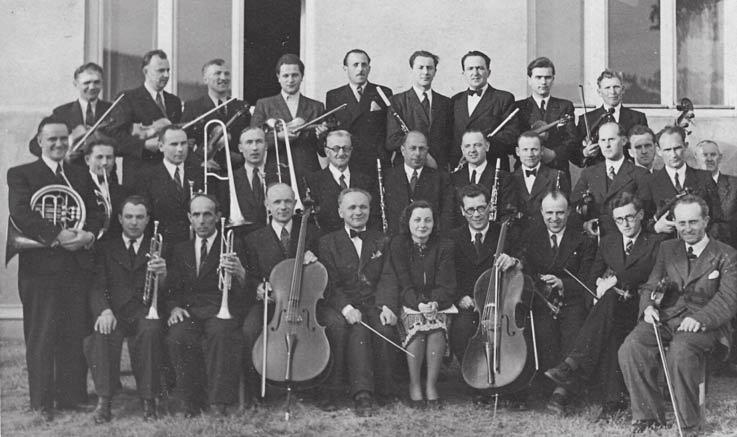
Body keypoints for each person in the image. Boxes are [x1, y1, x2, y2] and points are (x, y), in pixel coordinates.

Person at [618, 195, 737, 434]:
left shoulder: (727, 254)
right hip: (666, 318)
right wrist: (648, 307)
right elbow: (651, 285)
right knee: (631, 347)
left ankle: (689, 424)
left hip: (707, 325)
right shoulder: (667, 248)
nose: (687, 229)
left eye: (693, 222)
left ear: (706, 221)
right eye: (681, 223)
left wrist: (700, 319)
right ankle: (648, 418)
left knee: (681, 352)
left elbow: (728, 299)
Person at [7, 117, 100, 421]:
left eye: (63, 139)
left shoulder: (79, 174)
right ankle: (42, 402)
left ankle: (72, 397)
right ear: (39, 140)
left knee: (74, 332)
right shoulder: (22, 173)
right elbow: (22, 214)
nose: (59, 144)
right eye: (52, 139)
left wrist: (89, 235)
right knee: (43, 334)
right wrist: (58, 235)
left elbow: (95, 213)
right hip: (40, 268)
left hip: (75, 265)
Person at [544, 193, 663, 421]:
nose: (625, 224)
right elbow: (591, 278)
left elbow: (646, 269)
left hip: (640, 309)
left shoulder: (655, 242)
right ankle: (612, 402)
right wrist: (594, 297)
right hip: (608, 311)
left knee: (609, 304)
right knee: (607, 316)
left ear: (640, 216)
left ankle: (573, 364)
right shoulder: (608, 242)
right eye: (619, 220)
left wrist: (616, 279)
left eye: (630, 217)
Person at [240, 183, 333, 406]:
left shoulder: (313, 234)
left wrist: (315, 262)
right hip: (271, 305)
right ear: (267, 206)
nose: (283, 207)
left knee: (335, 325)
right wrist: (258, 288)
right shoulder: (253, 239)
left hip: (306, 304)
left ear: (294, 203)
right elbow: (251, 275)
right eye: (277, 202)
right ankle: (258, 393)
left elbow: (326, 272)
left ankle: (323, 389)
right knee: (249, 329)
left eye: (288, 201)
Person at [84, 195, 166, 423]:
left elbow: (169, 289)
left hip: (144, 309)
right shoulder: (105, 247)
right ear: (119, 218)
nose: (134, 222)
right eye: (129, 216)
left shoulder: (158, 246)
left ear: (148, 219)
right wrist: (104, 311)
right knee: (103, 332)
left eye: (140, 217)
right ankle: (105, 401)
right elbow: (97, 284)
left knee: (150, 331)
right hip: (116, 311)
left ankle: (149, 400)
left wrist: (164, 274)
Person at [165, 193, 247, 417]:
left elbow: (245, 290)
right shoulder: (181, 249)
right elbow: (172, 288)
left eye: (207, 214)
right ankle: (191, 402)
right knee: (178, 335)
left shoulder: (234, 244)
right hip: (190, 311)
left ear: (218, 216)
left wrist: (240, 273)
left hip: (220, 310)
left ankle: (218, 403)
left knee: (222, 334)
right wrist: (173, 307)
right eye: (196, 215)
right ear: (189, 218)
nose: (202, 221)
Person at [318, 188, 397, 416]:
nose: (358, 211)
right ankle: (362, 394)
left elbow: (388, 276)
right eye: (352, 207)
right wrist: (346, 307)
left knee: (385, 329)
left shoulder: (381, 239)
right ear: (340, 211)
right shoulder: (327, 242)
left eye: (363, 206)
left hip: (373, 303)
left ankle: (385, 389)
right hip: (343, 304)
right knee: (357, 331)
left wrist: (386, 305)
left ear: (370, 210)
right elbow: (329, 282)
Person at [518, 191, 596, 413]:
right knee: (543, 334)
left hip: (572, 299)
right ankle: (541, 387)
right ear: (542, 213)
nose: (555, 218)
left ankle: (561, 393)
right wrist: (541, 285)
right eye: (549, 213)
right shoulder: (532, 236)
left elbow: (587, 279)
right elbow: (527, 273)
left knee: (573, 331)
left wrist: (562, 283)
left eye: (560, 212)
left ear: (569, 212)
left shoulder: (583, 240)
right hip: (542, 299)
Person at [378, 201, 457, 407]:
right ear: (408, 222)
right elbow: (402, 282)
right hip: (408, 300)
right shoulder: (398, 244)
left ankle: (431, 385)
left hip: (438, 301)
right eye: (417, 220)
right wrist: (419, 304)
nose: (422, 225)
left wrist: (434, 303)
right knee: (418, 327)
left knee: (436, 329)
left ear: (434, 222)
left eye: (427, 220)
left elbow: (447, 283)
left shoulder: (445, 246)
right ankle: (414, 385)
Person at [448, 184, 521, 403]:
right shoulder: (453, 237)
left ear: (490, 207)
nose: (477, 214)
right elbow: (448, 273)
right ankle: (476, 381)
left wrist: (514, 261)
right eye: (470, 209)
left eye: (481, 208)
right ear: (462, 211)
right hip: (470, 303)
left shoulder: (506, 233)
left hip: (501, 302)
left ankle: (508, 382)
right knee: (461, 330)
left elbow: (523, 260)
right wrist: (460, 296)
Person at [251, 54, 328, 193]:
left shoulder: (317, 107)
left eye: (295, 75)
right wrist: (278, 137)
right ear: (278, 77)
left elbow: (322, 151)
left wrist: (322, 136)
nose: (290, 80)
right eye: (286, 76)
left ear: (302, 76)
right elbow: (253, 141)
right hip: (276, 172)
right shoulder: (264, 105)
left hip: (309, 172)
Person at [107, 50, 183, 186]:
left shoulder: (174, 102)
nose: (166, 75)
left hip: (169, 176)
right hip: (139, 176)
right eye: (160, 71)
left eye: (168, 70)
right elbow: (114, 138)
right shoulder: (128, 98)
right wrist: (144, 145)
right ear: (145, 71)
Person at [639, 126, 722, 240]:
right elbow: (640, 220)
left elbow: (718, 219)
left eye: (677, 148)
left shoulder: (705, 178)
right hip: (664, 249)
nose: (673, 155)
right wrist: (656, 228)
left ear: (686, 146)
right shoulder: (648, 182)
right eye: (667, 150)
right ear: (658, 151)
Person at [571, 122, 649, 237]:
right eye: (603, 140)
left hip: (625, 239)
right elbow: (573, 206)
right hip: (596, 240)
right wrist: (584, 225)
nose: (607, 145)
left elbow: (645, 211)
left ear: (623, 141)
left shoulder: (639, 174)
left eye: (611, 139)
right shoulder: (589, 173)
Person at [135, 125, 204, 256]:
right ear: (161, 146)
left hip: (195, 248)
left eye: (183, 143)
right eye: (174, 144)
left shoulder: (199, 172)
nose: (180, 149)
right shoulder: (146, 177)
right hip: (164, 250)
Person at [325, 49, 393, 178]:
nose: (360, 69)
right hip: (347, 161)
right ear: (345, 68)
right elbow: (332, 130)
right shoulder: (334, 96)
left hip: (375, 161)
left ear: (369, 68)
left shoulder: (383, 92)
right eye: (355, 65)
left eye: (364, 65)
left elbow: (389, 128)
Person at [451, 51, 519, 171]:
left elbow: (512, 134)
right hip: (461, 169)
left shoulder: (504, 98)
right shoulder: (455, 100)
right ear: (463, 73)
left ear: (489, 72)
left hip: (492, 166)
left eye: (480, 68)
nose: (475, 73)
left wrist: (484, 144)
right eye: (470, 68)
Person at [28, 62, 112, 160]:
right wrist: (67, 145)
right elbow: (35, 146)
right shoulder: (61, 113)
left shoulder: (113, 110)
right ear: (76, 84)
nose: (92, 87)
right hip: (72, 172)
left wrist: (101, 138)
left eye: (96, 82)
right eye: (87, 83)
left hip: (104, 171)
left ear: (102, 83)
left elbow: (123, 144)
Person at [387, 50, 452, 169]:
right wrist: (425, 156)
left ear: (435, 71)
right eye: (420, 67)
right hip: (407, 167)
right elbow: (392, 140)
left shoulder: (446, 102)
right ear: (412, 70)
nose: (425, 72)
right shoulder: (396, 101)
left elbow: (449, 139)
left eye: (429, 68)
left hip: (438, 168)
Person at [514, 57, 576, 182]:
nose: (543, 82)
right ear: (529, 80)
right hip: (526, 169)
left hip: (557, 168)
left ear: (553, 79)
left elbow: (572, 139)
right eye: (538, 77)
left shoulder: (565, 106)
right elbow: (514, 138)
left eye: (547, 77)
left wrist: (554, 154)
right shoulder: (518, 107)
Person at [306, 130, 378, 233]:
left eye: (346, 148)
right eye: (336, 149)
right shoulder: (313, 181)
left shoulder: (366, 180)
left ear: (351, 150)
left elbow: (374, 217)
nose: (341, 153)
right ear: (327, 151)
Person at [383, 131, 454, 234]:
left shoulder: (441, 178)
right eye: (412, 148)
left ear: (427, 151)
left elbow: (447, 216)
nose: (417, 153)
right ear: (403, 150)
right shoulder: (387, 177)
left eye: (421, 149)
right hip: (396, 242)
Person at [574, 70, 648, 167]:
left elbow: (645, 148)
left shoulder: (638, 118)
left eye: (616, 87)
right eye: (607, 88)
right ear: (599, 92)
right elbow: (575, 155)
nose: (612, 92)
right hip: (597, 175)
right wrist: (585, 153)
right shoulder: (587, 119)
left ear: (623, 89)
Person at [450, 129, 518, 223]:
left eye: (477, 145)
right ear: (462, 149)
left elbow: (507, 216)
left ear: (487, 146)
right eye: (467, 146)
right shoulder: (452, 178)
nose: (472, 150)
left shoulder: (504, 178)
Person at [509, 131, 571, 231]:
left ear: (542, 151)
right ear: (517, 151)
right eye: (525, 149)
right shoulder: (509, 179)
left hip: (546, 237)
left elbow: (565, 213)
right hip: (517, 237)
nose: (530, 154)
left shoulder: (556, 176)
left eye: (534, 149)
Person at [83, 136, 131, 242]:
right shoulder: (78, 186)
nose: (105, 162)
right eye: (99, 157)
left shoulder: (123, 191)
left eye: (109, 157)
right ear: (87, 160)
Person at [694, 139, 737, 249]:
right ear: (696, 157)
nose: (709, 159)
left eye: (713, 155)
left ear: (720, 157)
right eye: (704, 155)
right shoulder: (689, 184)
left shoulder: (734, 184)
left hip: (731, 247)